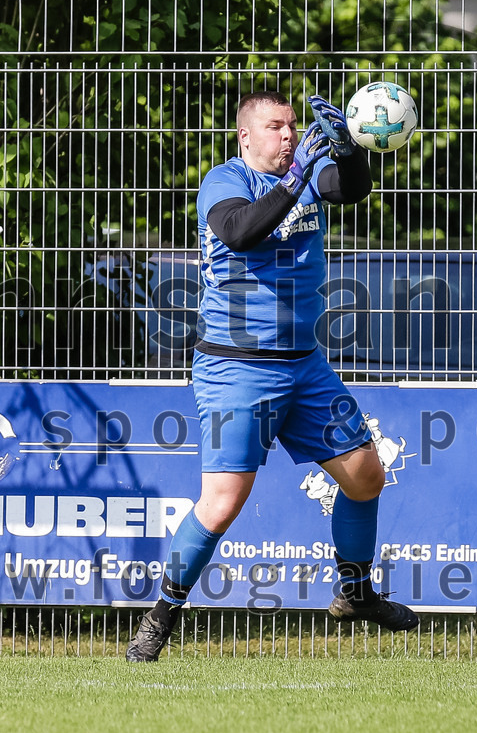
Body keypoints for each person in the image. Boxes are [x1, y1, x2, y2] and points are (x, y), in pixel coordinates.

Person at [126, 90, 419, 662]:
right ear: (246, 136)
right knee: (222, 504)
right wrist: (297, 177)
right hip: (236, 367)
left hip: (304, 365)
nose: (288, 136)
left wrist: (351, 148)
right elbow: (240, 231)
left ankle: (356, 594)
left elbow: (352, 188)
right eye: (274, 127)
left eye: (292, 126)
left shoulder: (307, 173)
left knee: (365, 476)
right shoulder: (225, 181)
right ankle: (159, 619)